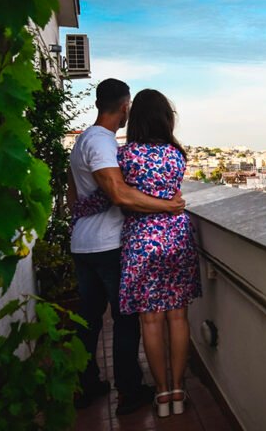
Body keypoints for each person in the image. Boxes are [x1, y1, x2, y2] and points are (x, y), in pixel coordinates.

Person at [68, 78, 186, 415]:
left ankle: (85, 383)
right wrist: (168, 206)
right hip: (107, 243)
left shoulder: (82, 142)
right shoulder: (105, 144)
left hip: (84, 241)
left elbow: (72, 194)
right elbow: (119, 194)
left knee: (89, 319)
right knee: (126, 320)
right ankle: (130, 390)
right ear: (124, 107)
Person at [117, 89, 202, 418]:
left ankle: (163, 395)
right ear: (166, 119)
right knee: (178, 316)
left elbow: (118, 196)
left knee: (150, 321)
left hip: (142, 239)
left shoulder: (127, 156)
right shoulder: (176, 154)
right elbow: (176, 194)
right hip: (176, 237)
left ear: (136, 118)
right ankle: (180, 391)